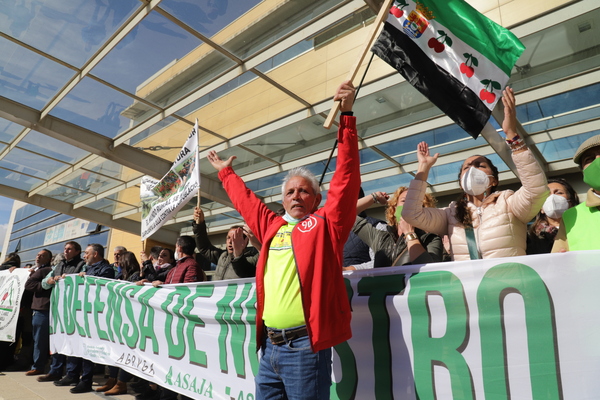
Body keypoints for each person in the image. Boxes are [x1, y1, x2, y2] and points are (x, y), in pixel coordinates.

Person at [206, 80, 360, 399]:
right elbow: (248, 203)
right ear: (283, 200)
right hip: (269, 349)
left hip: (305, 348)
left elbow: (345, 178)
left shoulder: (325, 224)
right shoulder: (271, 226)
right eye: (290, 191)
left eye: (304, 190)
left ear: (317, 200)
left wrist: (346, 117)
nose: (296, 195)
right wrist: (225, 173)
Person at [402, 88, 549, 260]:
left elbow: (537, 190)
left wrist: (512, 135)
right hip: (469, 285)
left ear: (493, 180)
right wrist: (423, 169)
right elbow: (411, 214)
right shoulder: (450, 214)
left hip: (509, 284)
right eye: (467, 167)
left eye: (480, 165)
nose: (472, 169)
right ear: (461, 182)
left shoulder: (508, 203)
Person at [60, 244, 114, 394]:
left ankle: (86, 381)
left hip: (94, 315)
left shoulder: (106, 269)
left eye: (87, 253)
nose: (84, 256)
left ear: (95, 254)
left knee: (89, 350)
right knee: (80, 346)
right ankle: (74, 375)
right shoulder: (88, 268)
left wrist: (88, 278)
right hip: (84, 313)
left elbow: (102, 288)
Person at [353, 187, 443, 267]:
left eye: (414, 202)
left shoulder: (431, 239)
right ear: (395, 208)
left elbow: (431, 270)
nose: (408, 205)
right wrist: (374, 197)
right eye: (403, 201)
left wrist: (410, 234)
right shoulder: (380, 238)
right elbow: (345, 215)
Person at [38, 241, 85, 383]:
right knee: (58, 339)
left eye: (69, 249)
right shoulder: (59, 265)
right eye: (65, 249)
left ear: (77, 251)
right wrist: (52, 280)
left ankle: (71, 374)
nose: (66, 251)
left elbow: (85, 280)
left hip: (73, 309)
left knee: (71, 341)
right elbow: (44, 283)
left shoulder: (82, 265)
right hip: (58, 308)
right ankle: (55, 371)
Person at [97, 251, 140, 395]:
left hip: (129, 318)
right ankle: (112, 379)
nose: (118, 264)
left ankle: (121, 382)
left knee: (125, 351)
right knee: (115, 350)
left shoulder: (136, 275)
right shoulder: (120, 275)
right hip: (117, 316)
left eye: (120, 261)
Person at [553, 134, 600, 251]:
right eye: (590, 159)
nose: (598, 161)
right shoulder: (571, 216)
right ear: (583, 171)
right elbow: (557, 261)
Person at [193, 207, 259, 280]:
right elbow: (204, 248)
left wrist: (238, 254)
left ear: (245, 241)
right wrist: (199, 224)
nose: (230, 241)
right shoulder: (223, 256)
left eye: (235, 238)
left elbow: (242, 270)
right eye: (228, 238)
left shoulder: (252, 260)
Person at [527, 178, 579, 254]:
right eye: (547, 195)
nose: (552, 198)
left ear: (570, 203)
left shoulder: (584, 228)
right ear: (541, 209)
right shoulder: (531, 238)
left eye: (559, 193)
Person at [24, 249, 53, 376]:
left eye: (42, 256)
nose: (38, 257)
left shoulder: (45, 271)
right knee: (38, 339)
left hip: (43, 310)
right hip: (39, 309)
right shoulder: (37, 270)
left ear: (48, 259)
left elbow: (28, 285)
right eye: (37, 255)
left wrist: (39, 283)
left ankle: (38, 366)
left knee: (40, 340)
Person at [343, 188, 387, 271]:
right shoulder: (326, 228)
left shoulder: (377, 226)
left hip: (364, 282)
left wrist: (348, 269)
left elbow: (382, 262)